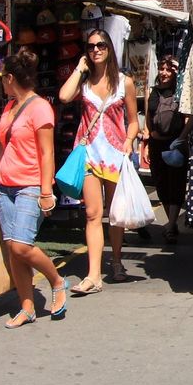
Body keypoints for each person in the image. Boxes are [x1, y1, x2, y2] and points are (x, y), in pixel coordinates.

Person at [0, 48, 67, 328]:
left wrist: (46, 191)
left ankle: (56, 281)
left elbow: (47, 153)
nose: (1, 84)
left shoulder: (40, 107)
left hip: (29, 186)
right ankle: (27, 306)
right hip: (5, 187)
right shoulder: (9, 108)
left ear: (9, 78)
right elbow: (1, 149)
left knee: (21, 246)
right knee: (13, 250)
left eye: (1, 79)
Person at [59, 28, 141, 293]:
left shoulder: (124, 82)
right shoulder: (83, 82)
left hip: (115, 155)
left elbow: (133, 121)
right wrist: (78, 69)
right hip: (89, 154)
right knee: (93, 214)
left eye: (101, 45)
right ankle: (94, 275)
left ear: (109, 49)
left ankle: (116, 262)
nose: (96, 50)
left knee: (115, 215)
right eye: (91, 46)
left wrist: (129, 142)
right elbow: (63, 96)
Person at [142, 54, 186, 240]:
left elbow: (188, 118)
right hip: (156, 143)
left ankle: (170, 226)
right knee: (160, 184)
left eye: (169, 69)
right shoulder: (151, 91)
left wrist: (182, 139)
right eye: (162, 69)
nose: (164, 73)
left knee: (176, 183)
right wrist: (145, 145)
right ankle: (172, 222)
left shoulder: (182, 91)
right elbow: (147, 118)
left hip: (175, 143)